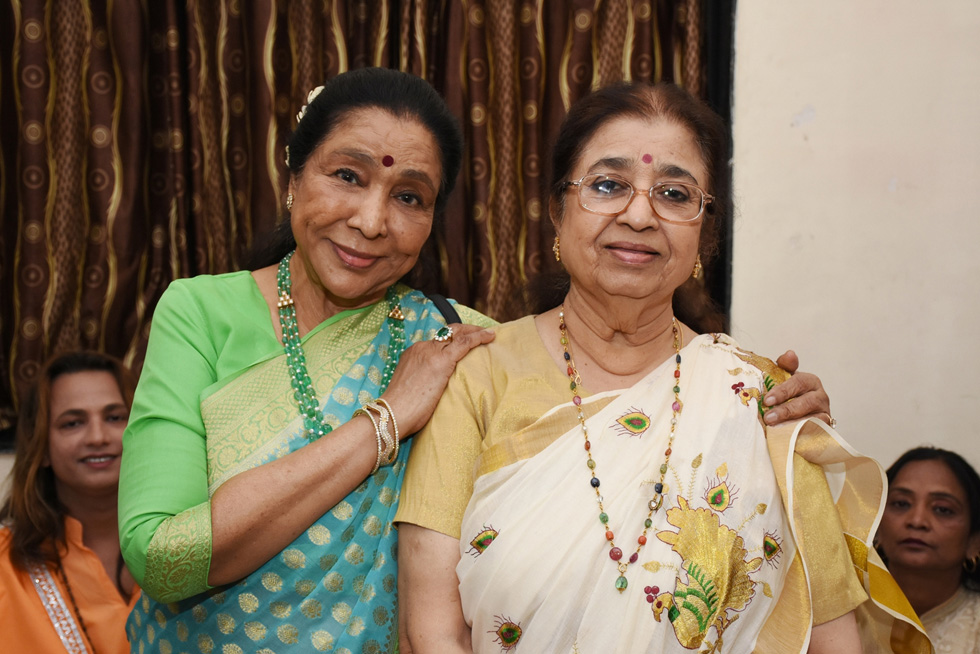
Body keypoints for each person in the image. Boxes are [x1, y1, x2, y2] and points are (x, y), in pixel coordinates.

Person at [118, 68, 831, 653]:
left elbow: (605, 357)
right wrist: (387, 418)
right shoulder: (200, 313)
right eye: (346, 176)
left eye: (409, 197)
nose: (372, 220)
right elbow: (162, 558)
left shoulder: (464, 347)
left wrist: (773, 411)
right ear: (293, 178)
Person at [395, 81, 931, 654]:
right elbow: (431, 630)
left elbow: (830, 635)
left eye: (675, 194)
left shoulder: (759, 398)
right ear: (556, 211)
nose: (639, 213)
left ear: (706, 229)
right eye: (607, 185)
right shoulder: (477, 376)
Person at [0, 350, 139, 654]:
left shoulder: (193, 541)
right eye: (72, 423)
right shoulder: (5, 563)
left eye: (115, 417)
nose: (98, 437)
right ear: (43, 447)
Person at [876, 447, 980, 653]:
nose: (917, 521)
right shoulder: (841, 613)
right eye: (901, 503)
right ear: (876, 526)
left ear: (974, 542)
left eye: (942, 509)